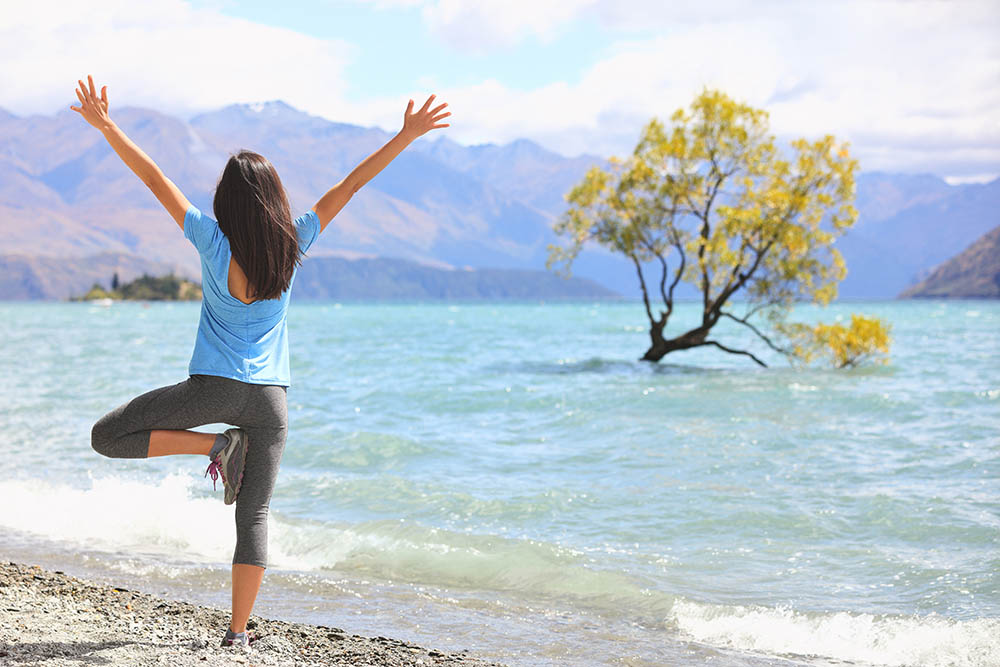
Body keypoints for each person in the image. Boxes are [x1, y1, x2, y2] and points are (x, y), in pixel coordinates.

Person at [74, 75, 450, 649]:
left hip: (213, 391)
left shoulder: (211, 240)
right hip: (272, 403)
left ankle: (215, 448)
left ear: (227, 199)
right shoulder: (293, 242)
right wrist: (406, 135)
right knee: (255, 514)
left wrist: (108, 127)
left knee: (107, 435)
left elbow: (155, 178)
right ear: (275, 197)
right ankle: (238, 633)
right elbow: (350, 186)